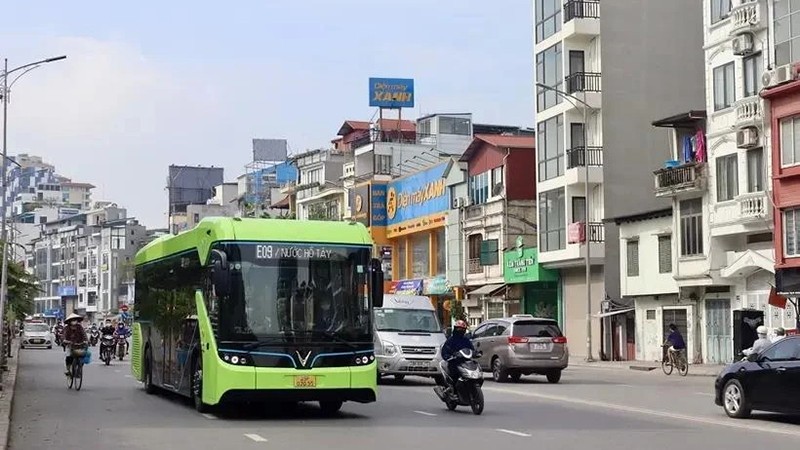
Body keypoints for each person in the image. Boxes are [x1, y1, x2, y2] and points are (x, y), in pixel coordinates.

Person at [440, 320, 475, 388]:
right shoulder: (451, 340)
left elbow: (472, 349)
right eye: (458, 328)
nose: (460, 330)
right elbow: (445, 350)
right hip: (454, 362)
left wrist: (475, 353)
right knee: (454, 374)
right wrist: (448, 356)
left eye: (462, 329)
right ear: (455, 329)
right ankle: (453, 389)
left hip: (466, 362)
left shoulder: (466, 340)